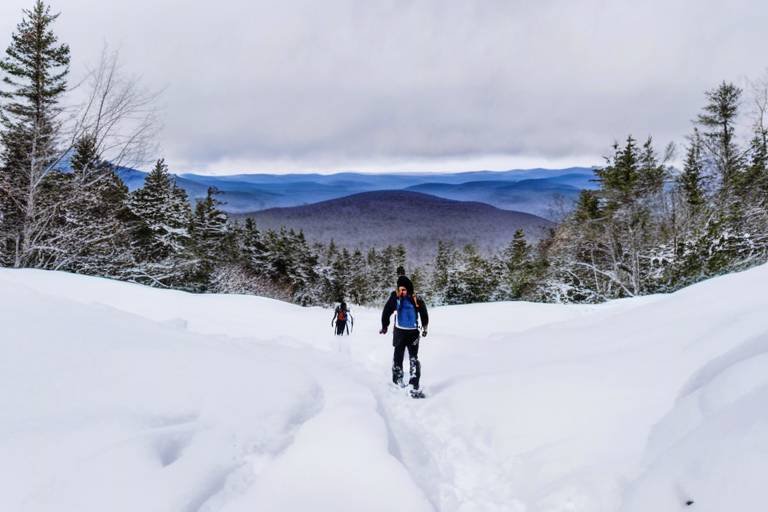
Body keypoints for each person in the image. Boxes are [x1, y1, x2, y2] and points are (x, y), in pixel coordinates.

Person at [379, 271, 429, 396]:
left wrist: (425, 327)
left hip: (413, 332)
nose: (402, 292)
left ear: (409, 288)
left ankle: (414, 382)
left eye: (404, 289)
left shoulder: (415, 298)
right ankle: (397, 378)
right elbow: (387, 310)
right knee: (398, 356)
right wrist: (385, 325)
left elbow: (423, 312)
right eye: (400, 289)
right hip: (399, 331)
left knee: (413, 358)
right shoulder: (395, 297)